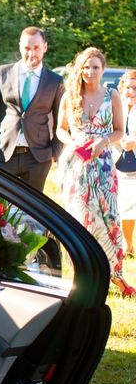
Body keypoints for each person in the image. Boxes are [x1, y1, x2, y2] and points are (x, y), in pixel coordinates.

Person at [56, 47, 134, 297]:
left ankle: (116, 275)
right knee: (79, 219)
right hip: (75, 167)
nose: (90, 72)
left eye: (95, 67)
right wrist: (72, 142)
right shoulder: (70, 96)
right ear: (80, 69)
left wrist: (103, 142)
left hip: (103, 166)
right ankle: (82, 276)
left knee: (107, 218)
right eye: (86, 67)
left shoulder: (112, 95)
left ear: (102, 69)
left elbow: (120, 131)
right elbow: (60, 129)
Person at [0, 27, 64, 191]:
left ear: (45, 47)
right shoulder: (2, 73)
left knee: (31, 212)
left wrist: (55, 151)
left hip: (37, 158)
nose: (31, 54)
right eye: (27, 48)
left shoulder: (55, 81)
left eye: (36, 48)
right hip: (2, 154)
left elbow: (61, 121)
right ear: (20, 47)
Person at [116, 70, 136, 257]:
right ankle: (128, 246)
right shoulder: (117, 106)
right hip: (118, 164)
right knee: (124, 208)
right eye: (127, 87)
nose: (131, 91)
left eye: (135, 88)